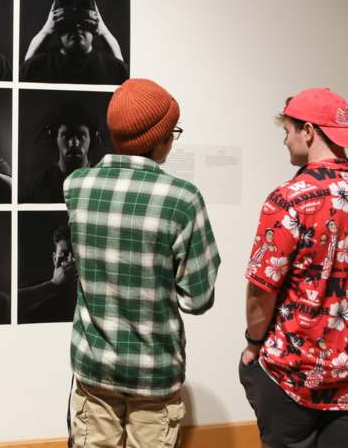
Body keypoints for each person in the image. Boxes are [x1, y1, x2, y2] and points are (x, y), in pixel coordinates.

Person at [239, 88, 348, 448]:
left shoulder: (290, 198)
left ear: (309, 131)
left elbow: (260, 291)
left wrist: (252, 345)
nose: (286, 141)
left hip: (292, 370)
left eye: (288, 131)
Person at [64, 78, 220, 448]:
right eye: (173, 132)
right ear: (162, 138)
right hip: (154, 373)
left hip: (94, 366)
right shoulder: (183, 200)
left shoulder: (76, 186)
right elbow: (197, 299)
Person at [20, 0, 128, 85]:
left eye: (83, 20)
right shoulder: (38, 66)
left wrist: (104, 31)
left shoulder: (113, 67)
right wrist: (46, 30)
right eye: (69, 21)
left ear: (95, 23)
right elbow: (25, 74)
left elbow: (122, 76)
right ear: (57, 24)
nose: (77, 27)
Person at [20, 102, 100, 204]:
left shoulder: (102, 182)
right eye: (67, 136)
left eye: (81, 136)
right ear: (55, 138)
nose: (74, 143)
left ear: (92, 138)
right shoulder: (34, 186)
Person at [18, 223, 77, 324]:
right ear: (54, 259)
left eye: (76, 254)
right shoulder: (35, 288)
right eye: (65, 254)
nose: (71, 260)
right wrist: (53, 284)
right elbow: (8, 304)